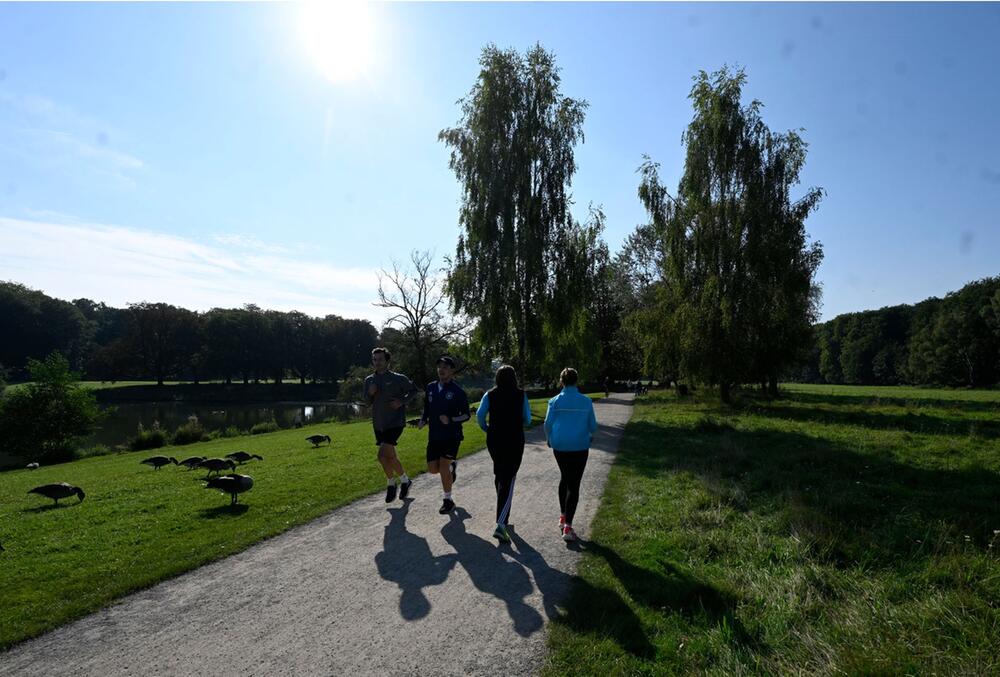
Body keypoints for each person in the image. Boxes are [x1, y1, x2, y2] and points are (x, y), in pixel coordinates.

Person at [476, 364, 533, 544]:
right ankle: (501, 524)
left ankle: (504, 514)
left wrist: (487, 428)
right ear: (514, 378)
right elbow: (528, 419)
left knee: (500, 475)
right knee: (509, 478)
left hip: (494, 438)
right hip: (514, 439)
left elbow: (479, 415)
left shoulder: (490, 394)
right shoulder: (521, 395)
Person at [544, 367, 598, 542]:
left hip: (560, 445)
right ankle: (568, 526)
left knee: (565, 478)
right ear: (577, 381)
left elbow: (547, 424)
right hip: (580, 445)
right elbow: (593, 426)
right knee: (574, 484)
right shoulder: (586, 402)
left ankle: (562, 516)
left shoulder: (554, 401)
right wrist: (590, 435)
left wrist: (549, 439)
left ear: (561, 381)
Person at [364, 347, 417, 503]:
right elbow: (367, 402)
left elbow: (413, 391)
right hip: (379, 423)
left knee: (381, 456)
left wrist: (401, 401)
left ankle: (391, 484)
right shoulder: (369, 380)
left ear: (387, 361)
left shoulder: (398, 378)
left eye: (380, 359)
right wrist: (370, 393)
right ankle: (405, 481)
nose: (377, 362)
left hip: (395, 422)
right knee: (390, 457)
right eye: (374, 359)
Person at [418, 355, 470, 515]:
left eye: (445, 367)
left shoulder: (458, 392)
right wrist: (423, 419)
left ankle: (448, 500)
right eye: (439, 367)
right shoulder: (431, 387)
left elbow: (466, 415)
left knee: (443, 467)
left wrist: (451, 419)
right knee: (433, 469)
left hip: (451, 435)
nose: (441, 370)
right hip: (434, 435)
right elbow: (427, 407)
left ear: (452, 370)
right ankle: (452, 466)